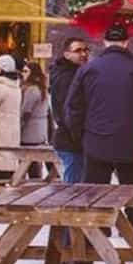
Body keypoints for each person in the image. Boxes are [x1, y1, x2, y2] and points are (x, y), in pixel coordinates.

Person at [65, 24, 133, 186]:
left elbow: (73, 108)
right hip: (131, 144)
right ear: (126, 43)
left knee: (93, 196)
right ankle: (132, 212)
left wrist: (82, 137)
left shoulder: (88, 70)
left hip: (95, 141)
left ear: (104, 42)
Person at [49, 37, 89, 183]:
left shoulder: (76, 73)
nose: (83, 54)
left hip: (71, 139)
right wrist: (79, 137)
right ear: (66, 54)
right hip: (71, 141)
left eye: (85, 50)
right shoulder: (68, 77)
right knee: (74, 189)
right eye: (78, 51)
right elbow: (70, 111)